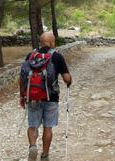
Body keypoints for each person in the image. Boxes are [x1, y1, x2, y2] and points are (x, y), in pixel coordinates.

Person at [20, 32, 72, 161]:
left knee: (33, 125)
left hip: (33, 97)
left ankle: (32, 147)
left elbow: (22, 77)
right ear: (52, 42)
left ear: (41, 42)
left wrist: (22, 95)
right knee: (48, 127)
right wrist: (69, 81)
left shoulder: (31, 55)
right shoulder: (57, 57)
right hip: (51, 98)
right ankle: (45, 155)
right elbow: (66, 78)